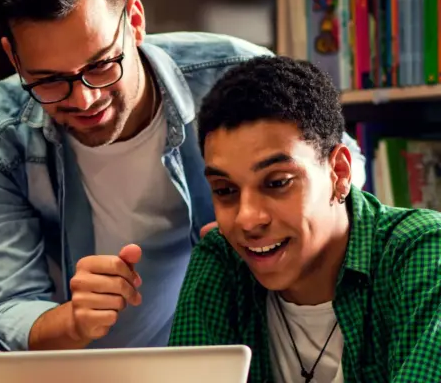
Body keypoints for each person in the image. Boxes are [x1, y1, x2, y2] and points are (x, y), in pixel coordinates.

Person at [0, 0, 368, 352]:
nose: (84, 100)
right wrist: (73, 321)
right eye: (49, 81)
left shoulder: (235, 75)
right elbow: (6, 307)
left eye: (100, 66)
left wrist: (270, 230)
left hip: (240, 358)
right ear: (14, 58)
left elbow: (340, 175)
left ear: (135, 23)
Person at [168, 56, 441, 382]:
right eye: (225, 190)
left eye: (277, 183)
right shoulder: (221, 261)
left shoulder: (424, 251)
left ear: (339, 172)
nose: (247, 219)